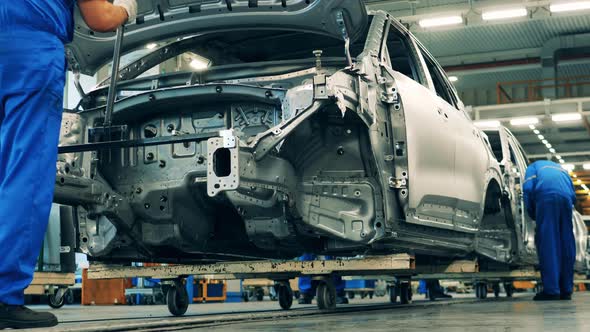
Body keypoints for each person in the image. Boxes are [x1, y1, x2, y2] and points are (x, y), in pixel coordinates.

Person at [0, 1, 136, 328]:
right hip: (30, 56)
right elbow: (100, 18)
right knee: (25, 176)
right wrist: (127, 9)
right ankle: (4, 295)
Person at [523, 160, 577, 301]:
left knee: (548, 243)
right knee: (566, 243)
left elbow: (528, 189)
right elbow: (573, 194)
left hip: (546, 197)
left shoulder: (532, 167)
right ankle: (566, 289)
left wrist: (532, 213)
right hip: (566, 199)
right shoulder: (561, 168)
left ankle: (552, 290)